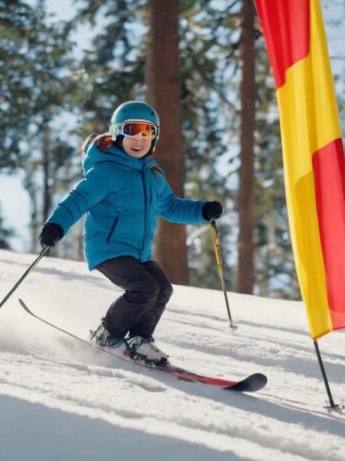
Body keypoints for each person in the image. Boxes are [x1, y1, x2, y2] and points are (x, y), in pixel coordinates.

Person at [39, 101, 223, 365]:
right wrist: (55, 226)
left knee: (162, 289)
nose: (139, 138)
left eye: (147, 132)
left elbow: (170, 206)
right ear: (118, 133)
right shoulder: (106, 171)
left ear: (154, 137)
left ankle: (139, 339)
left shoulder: (152, 175)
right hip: (108, 248)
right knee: (144, 287)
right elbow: (76, 200)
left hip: (137, 253)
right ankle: (107, 335)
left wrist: (202, 210)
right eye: (132, 130)